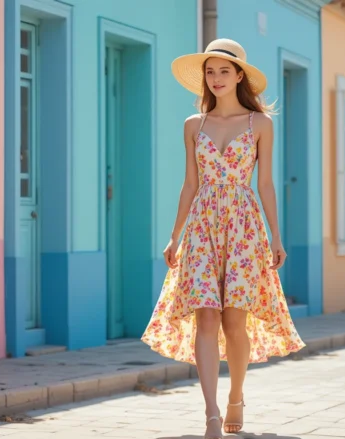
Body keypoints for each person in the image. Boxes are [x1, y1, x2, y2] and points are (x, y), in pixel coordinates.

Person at [141, 39, 306, 438]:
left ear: (239, 76)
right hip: (201, 228)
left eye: (224, 71)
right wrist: (174, 236)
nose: (216, 79)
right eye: (210, 72)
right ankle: (211, 413)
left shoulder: (260, 123)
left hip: (245, 227)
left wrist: (276, 238)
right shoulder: (193, 125)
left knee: (235, 321)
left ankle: (236, 396)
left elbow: (265, 184)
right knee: (205, 316)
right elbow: (190, 184)